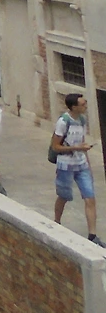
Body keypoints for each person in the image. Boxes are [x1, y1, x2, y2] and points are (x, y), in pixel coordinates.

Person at [52, 92, 100, 244]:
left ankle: (92, 235)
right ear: (74, 107)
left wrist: (88, 164)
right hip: (66, 165)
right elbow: (56, 146)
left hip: (81, 164)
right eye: (83, 104)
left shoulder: (82, 120)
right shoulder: (63, 122)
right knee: (64, 196)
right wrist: (77, 147)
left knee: (90, 198)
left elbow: (82, 141)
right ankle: (56, 222)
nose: (85, 106)